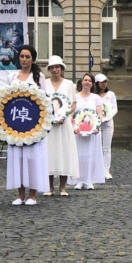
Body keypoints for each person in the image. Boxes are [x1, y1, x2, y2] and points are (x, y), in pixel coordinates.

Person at [6, 45, 49, 205]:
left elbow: (45, 101)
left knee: (32, 158)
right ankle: (20, 194)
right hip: (15, 123)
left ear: (32, 59)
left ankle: (32, 195)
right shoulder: (12, 76)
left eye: (27, 57)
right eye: (22, 56)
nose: (24, 59)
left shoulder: (39, 77)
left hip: (33, 125)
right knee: (18, 158)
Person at [44, 55, 80, 197]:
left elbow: (73, 104)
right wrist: (50, 117)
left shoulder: (69, 84)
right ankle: (49, 187)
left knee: (64, 152)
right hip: (48, 125)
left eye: (57, 67)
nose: (55, 70)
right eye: (52, 67)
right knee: (49, 152)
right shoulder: (44, 84)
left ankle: (62, 187)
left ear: (61, 68)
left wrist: (64, 115)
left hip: (64, 125)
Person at [72, 73, 105, 190]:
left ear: (92, 84)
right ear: (81, 82)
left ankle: (89, 180)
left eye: (89, 81)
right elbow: (72, 113)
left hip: (92, 131)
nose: (87, 82)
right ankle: (79, 180)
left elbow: (99, 114)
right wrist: (73, 126)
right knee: (79, 155)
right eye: (85, 80)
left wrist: (97, 126)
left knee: (91, 154)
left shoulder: (96, 98)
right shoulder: (75, 97)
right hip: (78, 131)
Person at [95, 73, 118, 180]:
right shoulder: (94, 96)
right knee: (96, 147)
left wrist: (107, 117)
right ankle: (97, 169)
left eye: (105, 82)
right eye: (102, 82)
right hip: (96, 124)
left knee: (106, 147)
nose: (104, 84)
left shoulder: (111, 94)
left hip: (108, 123)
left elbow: (114, 108)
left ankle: (106, 170)